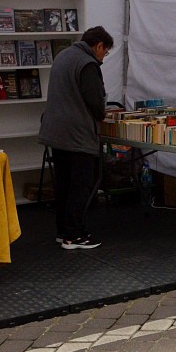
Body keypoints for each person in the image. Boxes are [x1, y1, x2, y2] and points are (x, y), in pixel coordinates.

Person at [38, 26, 113, 249]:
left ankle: (63, 231)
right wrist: (101, 114)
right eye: (105, 52)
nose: (103, 58)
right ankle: (75, 235)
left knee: (63, 184)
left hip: (56, 131)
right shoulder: (87, 63)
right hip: (77, 134)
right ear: (98, 45)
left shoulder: (63, 55)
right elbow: (95, 101)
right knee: (81, 185)